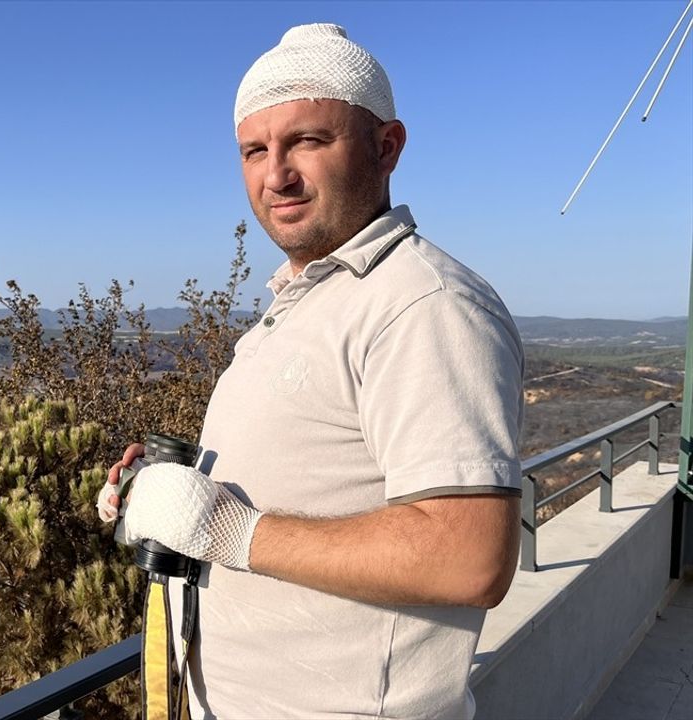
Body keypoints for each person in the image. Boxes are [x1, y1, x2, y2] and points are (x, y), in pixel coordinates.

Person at [98, 23, 524, 720]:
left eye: (308, 141)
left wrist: (228, 530)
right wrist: (166, 496)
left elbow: (469, 555)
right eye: (254, 150)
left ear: (386, 148)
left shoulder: (423, 305)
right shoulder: (302, 305)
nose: (276, 175)